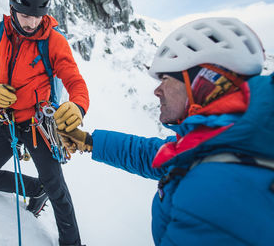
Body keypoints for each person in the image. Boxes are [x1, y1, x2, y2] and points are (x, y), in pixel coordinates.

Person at [59, 17, 274, 246]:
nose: (157, 90)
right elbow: (162, 155)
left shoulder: (213, 198)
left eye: (165, 78)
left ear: (202, 82)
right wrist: (90, 142)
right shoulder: (229, 140)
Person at [0, 0, 89, 245]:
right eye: (25, 16)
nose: (32, 23)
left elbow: (75, 82)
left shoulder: (54, 41)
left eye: (37, 16)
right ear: (12, 6)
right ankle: (37, 189)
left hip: (38, 124)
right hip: (6, 120)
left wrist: (78, 106)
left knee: (59, 191)